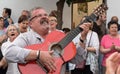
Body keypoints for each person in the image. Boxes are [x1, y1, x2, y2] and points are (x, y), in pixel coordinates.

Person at [4, 7, 88, 74]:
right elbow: (8, 52)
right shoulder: (25, 37)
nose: (44, 16)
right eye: (39, 15)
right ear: (30, 23)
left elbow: (78, 59)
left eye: (45, 15)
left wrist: (82, 39)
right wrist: (38, 54)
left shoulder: (59, 35)